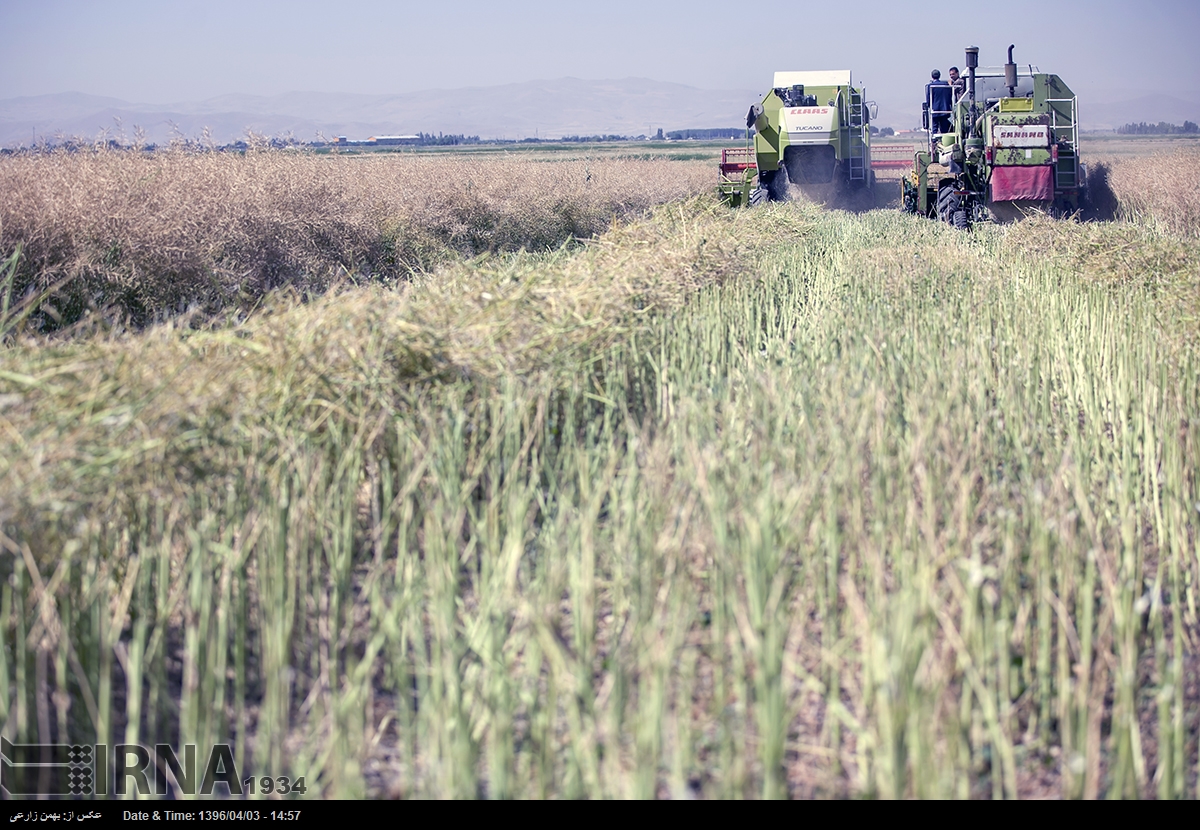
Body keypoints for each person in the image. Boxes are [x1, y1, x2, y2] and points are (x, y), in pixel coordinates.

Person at [925, 69, 953, 136]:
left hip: (935, 109)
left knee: (934, 128)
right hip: (945, 109)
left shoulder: (930, 86)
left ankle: (934, 143)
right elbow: (950, 95)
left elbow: (928, 98)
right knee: (944, 129)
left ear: (932, 76)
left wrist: (929, 106)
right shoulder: (945, 84)